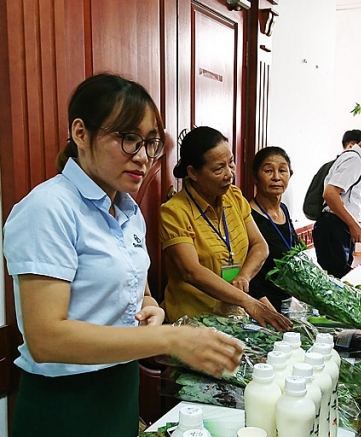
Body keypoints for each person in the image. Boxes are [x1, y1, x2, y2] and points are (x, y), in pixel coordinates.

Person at [2, 73, 243, 436]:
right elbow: (46, 338)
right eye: (129, 139)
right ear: (81, 133)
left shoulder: (128, 212)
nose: (144, 157)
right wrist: (169, 339)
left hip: (120, 387)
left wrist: (153, 308)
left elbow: (138, 292)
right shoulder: (49, 208)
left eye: (150, 143)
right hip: (64, 404)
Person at [159, 126, 292, 331]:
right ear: (193, 172)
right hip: (193, 323)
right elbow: (191, 272)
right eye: (218, 168)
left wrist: (243, 277)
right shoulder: (174, 212)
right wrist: (248, 302)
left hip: (233, 320)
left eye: (231, 162)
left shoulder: (235, 197)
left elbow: (260, 246)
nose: (229, 174)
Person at [312, 121, 361, 278]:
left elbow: (351, 203)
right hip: (333, 227)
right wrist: (353, 224)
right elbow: (330, 194)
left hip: (339, 226)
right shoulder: (353, 160)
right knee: (337, 280)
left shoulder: (359, 162)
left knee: (342, 276)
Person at [248, 146, 303, 313]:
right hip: (262, 307)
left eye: (282, 170)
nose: (276, 177)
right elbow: (251, 277)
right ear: (256, 176)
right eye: (268, 171)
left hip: (287, 303)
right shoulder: (248, 216)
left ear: (290, 175)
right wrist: (271, 314)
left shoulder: (284, 210)